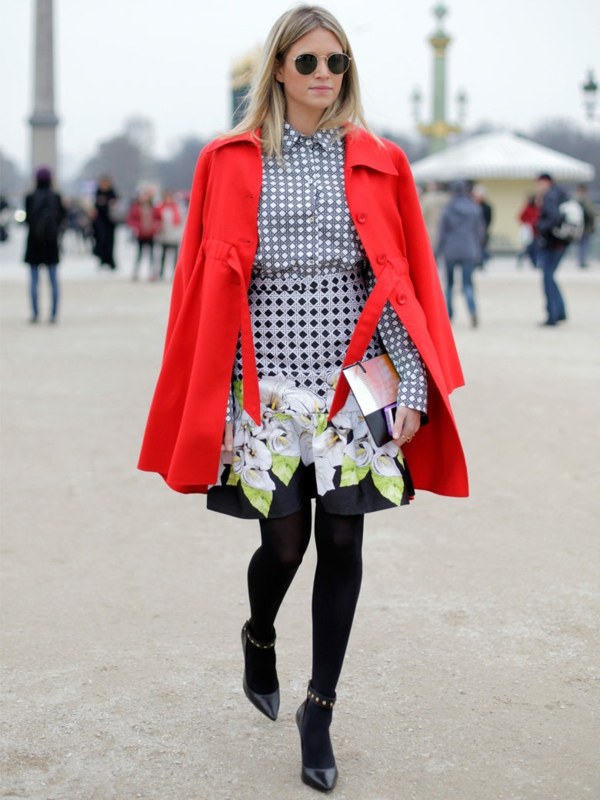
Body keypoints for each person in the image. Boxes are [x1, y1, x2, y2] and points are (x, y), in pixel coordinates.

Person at [138, 5, 468, 793]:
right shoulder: (227, 160)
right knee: (283, 543)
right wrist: (217, 405)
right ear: (278, 69)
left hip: (356, 384)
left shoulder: (380, 158)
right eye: (310, 62)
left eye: (337, 64)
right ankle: (259, 635)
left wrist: (411, 386)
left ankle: (318, 709)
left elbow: (394, 281)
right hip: (268, 387)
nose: (325, 76)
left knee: (345, 542)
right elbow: (211, 291)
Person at [436, 181, 484, 328]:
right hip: (469, 249)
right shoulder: (474, 208)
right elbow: (479, 232)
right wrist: (478, 249)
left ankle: (449, 315)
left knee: (450, 284)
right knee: (468, 284)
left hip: (451, 249)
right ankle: (472, 310)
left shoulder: (448, 209)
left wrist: (438, 252)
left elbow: (442, 233)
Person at [23, 166, 66, 324]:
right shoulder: (56, 196)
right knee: (53, 279)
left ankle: (35, 313)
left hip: (34, 241)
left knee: (34, 280)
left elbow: (27, 220)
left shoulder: (30, 197)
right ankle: (53, 314)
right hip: (51, 241)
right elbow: (62, 218)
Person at [535, 173, 570, 326]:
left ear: (545, 182)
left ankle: (553, 315)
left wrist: (539, 226)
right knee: (551, 276)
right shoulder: (562, 194)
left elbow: (553, 217)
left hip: (551, 243)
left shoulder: (550, 196)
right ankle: (560, 311)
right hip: (562, 242)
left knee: (547, 277)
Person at [127, 189, 162, 280]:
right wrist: (137, 227)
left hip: (151, 234)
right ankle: (136, 273)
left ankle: (153, 273)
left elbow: (159, 218)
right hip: (140, 234)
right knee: (139, 254)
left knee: (151, 255)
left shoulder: (153, 208)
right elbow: (131, 219)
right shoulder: (136, 208)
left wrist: (155, 227)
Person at [155, 190, 185, 279]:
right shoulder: (160, 208)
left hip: (174, 236)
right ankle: (161, 273)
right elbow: (157, 220)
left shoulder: (178, 208)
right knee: (162, 256)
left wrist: (179, 233)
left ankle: (175, 274)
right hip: (164, 235)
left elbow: (182, 222)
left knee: (175, 257)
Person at [92, 175, 119, 269]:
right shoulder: (98, 192)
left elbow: (115, 204)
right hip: (100, 222)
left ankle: (110, 261)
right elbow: (95, 205)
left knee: (110, 242)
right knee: (102, 240)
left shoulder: (112, 193)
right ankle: (102, 260)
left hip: (110, 222)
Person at [575, 184, 596, 269]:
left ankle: (582, 261)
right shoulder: (584, 201)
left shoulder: (578, 201)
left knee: (583, 245)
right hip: (584, 227)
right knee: (583, 245)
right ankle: (582, 261)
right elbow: (592, 213)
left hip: (584, 227)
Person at [516, 194, 540, 268]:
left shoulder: (538, 208)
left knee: (535, 248)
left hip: (536, 231)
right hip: (529, 232)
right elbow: (521, 217)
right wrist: (528, 223)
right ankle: (521, 257)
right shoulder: (527, 208)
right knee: (529, 248)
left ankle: (534, 263)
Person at [472, 184, 493, 268]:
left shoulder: (487, 207)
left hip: (483, 231)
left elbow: (489, 220)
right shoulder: (471, 206)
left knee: (482, 248)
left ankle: (481, 262)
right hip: (472, 232)